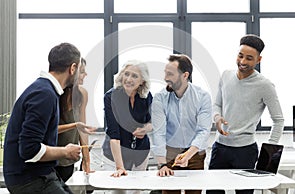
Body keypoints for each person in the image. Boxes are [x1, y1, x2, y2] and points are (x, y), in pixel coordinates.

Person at [207, 34, 284, 194]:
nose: (242, 62)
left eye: (249, 58)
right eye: (240, 56)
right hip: (220, 148)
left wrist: (268, 153)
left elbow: (278, 120)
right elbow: (217, 104)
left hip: (245, 151)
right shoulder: (226, 75)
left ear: (258, 60)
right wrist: (217, 118)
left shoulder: (265, 85)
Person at [3, 42, 82, 194]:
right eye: (79, 69)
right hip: (28, 179)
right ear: (72, 68)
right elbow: (29, 149)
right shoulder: (44, 95)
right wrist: (65, 152)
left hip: (39, 174)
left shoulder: (44, 90)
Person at [150, 54, 212, 194]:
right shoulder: (160, 98)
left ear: (185, 75)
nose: (165, 78)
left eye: (170, 74)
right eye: (165, 73)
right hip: (170, 153)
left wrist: (188, 154)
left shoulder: (202, 97)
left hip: (195, 154)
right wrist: (162, 164)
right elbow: (159, 132)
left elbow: (203, 130)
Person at [101, 60, 152, 192]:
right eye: (126, 74)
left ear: (142, 81)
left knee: (136, 191)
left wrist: (145, 129)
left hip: (140, 153)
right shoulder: (110, 97)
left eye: (134, 76)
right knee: (118, 191)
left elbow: (153, 123)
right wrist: (120, 167)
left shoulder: (146, 97)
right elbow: (114, 133)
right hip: (114, 154)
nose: (129, 79)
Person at [55, 58, 96, 182]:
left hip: (69, 160)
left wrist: (86, 160)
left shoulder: (82, 94)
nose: (86, 74)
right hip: (51, 159)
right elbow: (49, 130)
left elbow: (82, 130)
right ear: (72, 71)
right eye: (82, 71)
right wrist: (75, 125)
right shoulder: (54, 95)